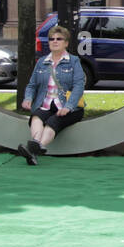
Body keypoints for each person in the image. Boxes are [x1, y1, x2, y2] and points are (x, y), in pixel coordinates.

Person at [21, 25, 86, 159]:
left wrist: (68, 107)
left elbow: (79, 86)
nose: (54, 41)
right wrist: (28, 98)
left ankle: (34, 149)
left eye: (59, 39)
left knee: (53, 121)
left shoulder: (74, 61)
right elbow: (32, 85)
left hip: (70, 107)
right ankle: (34, 148)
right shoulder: (42, 62)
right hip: (46, 105)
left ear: (66, 43)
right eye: (51, 39)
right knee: (36, 116)